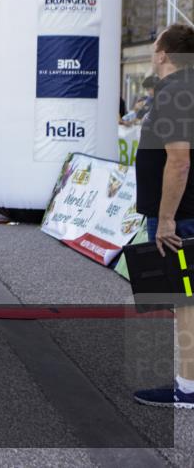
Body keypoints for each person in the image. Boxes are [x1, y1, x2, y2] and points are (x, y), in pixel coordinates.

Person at [133, 23, 194, 409]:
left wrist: (166, 218)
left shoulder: (175, 93)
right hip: (185, 212)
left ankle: (187, 388)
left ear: (164, 54)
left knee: (185, 302)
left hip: (182, 216)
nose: (152, 54)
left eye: (154, 48)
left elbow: (178, 160)